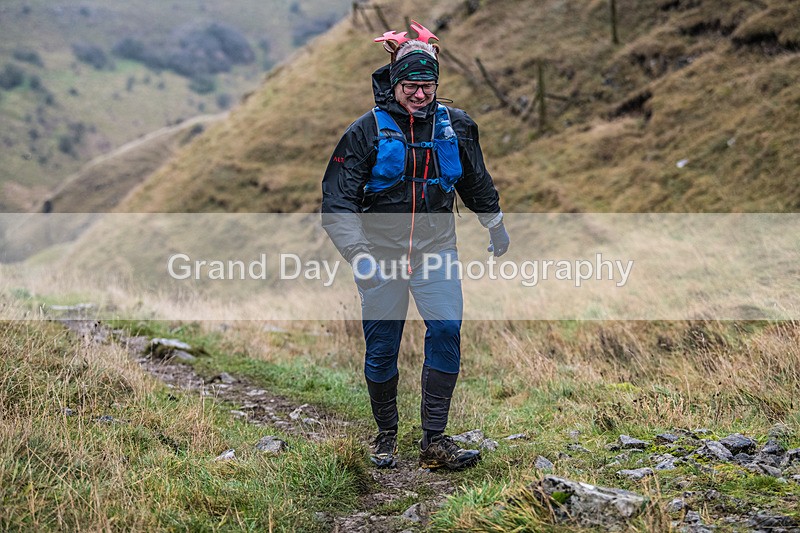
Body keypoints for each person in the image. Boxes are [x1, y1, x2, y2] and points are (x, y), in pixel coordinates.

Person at [321, 20, 509, 470]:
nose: (420, 94)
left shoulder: (456, 127)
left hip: (436, 251)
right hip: (378, 256)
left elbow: (475, 181)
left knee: (446, 330)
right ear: (395, 83)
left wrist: (495, 224)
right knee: (382, 347)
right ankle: (385, 435)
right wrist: (358, 254)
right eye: (410, 86)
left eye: (427, 86)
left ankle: (434, 440)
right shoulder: (364, 132)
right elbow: (337, 201)